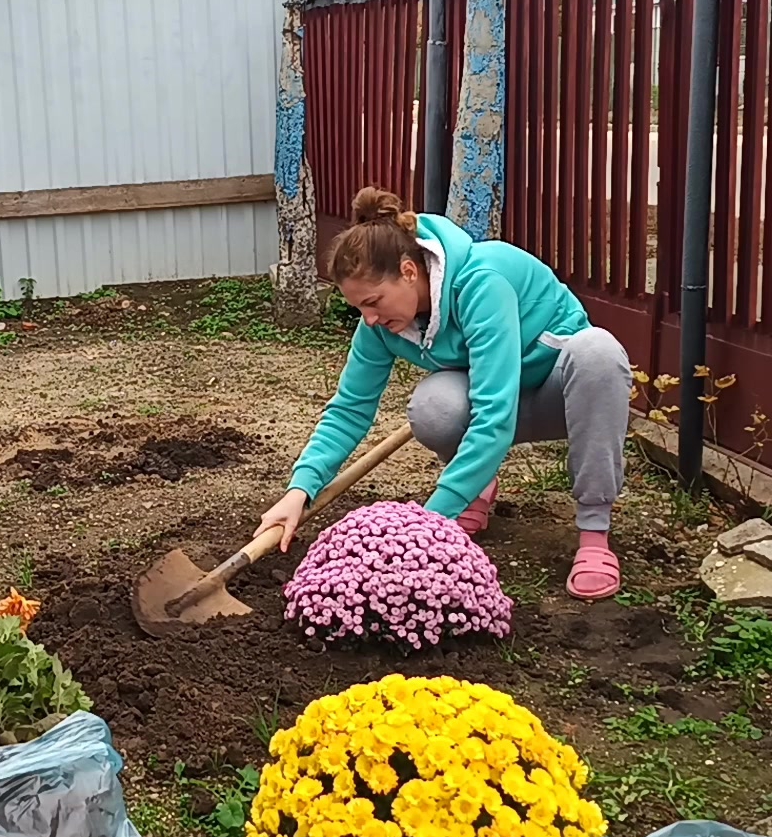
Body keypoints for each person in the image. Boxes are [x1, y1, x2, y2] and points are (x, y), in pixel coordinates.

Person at [257, 187, 634, 601]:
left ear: (409, 271)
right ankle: (476, 487)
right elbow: (349, 410)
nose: (369, 318)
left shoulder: (481, 283)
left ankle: (594, 530)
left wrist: (427, 526)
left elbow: (494, 414)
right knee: (434, 405)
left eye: (373, 302)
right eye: (359, 308)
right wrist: (299, 491)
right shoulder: (379, 326)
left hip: (560, 397)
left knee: (598, 352)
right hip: (495, 403)